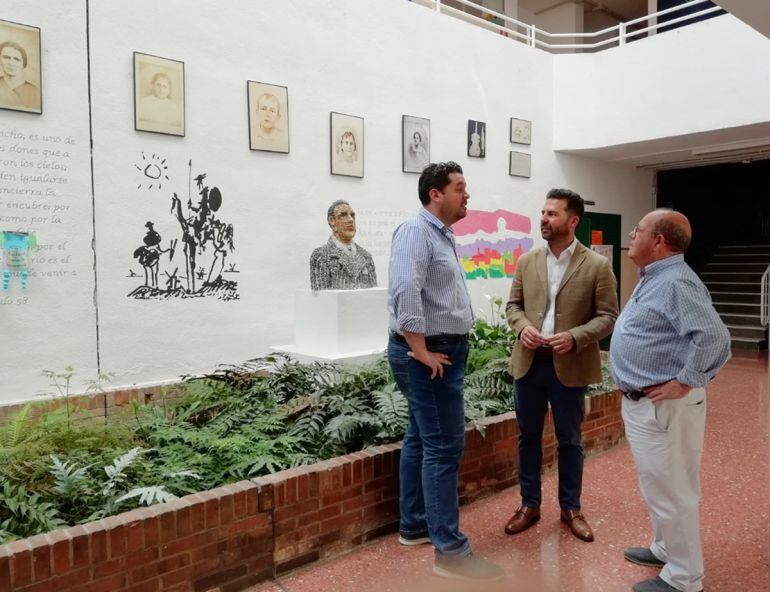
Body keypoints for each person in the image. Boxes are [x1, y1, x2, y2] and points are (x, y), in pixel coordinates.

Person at [387, 162, 503, 581]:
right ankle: (450, 553)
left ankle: (414, 525)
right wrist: (420, 351)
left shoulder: (440, 234)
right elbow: (404, 291)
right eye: (459, 187)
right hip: (430, 355)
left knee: (421, 438)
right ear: (436, 194)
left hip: (437, 351)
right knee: (444, 447)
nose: (466, 194)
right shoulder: (417, 232)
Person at [610, 209, 730, 592]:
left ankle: (683, 577)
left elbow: (714, 338)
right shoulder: (655, 277)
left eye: (639, 230)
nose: (632, 234)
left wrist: (686, 381)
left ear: (658, 241)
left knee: (672, 490)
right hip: (648, 404)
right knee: (658, 485)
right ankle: (665, 548)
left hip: (665, 405)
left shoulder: (676, 281)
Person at [504, 188, 618, 542]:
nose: (544, 219)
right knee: (528, 438)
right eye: (542, 212)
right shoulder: (528, 261)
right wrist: (523, 329)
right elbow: (513, 306)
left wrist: (576, 337)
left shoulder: (597, 265)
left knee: (569, 439)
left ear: (573, 221)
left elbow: (609, 316)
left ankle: (571, 508)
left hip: (570, 364)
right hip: (529, 364)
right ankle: (529, 505)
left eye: (552, 214)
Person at [309, 200, 376, 291]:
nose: (351, 220)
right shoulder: (321, 256)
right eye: (343, 215)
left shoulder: (366, 256)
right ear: (332, 221)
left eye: (352, 215)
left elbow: (373, 296)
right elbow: (322, 299)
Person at [0, 41, 40, 111]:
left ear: (23, 64)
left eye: (16, 59)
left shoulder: (35, 91)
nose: (11, 63)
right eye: (6, 57)